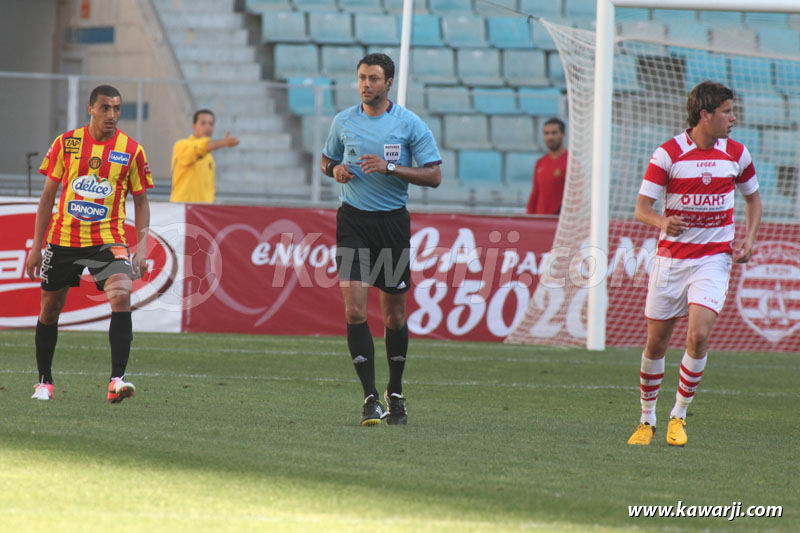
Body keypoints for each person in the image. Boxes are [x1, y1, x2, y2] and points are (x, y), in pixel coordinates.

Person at [627, 81, 762, 446]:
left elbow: (753, 200)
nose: (733, 118)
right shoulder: (668, 153)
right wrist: (661, 223)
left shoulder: (736, 153)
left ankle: (678, 415)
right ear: (705, 115)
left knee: (699, 334)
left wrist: (748, 238)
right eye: (727, 112)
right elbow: (642, 208)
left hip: (713, 259)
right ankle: (646, 419)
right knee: (655, 345)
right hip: (670, 261)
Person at [320, 53, 442, 426]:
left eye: (373, 78)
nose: (366, 84)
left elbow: (434, 176)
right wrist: (336, 169)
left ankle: (396, 391)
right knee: (354, 311)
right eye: (361, 77)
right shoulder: (343, 121)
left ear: (389, 83)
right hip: (353, 222)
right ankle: (370, 398)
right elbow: (325, 161)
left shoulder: (409, 124)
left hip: (391, 225)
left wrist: (391, 167)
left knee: (394, 315)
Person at [25, 84, 154, 403]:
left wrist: (142, 246)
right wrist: (35, 247)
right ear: (91, 109)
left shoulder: (132, 150)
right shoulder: (66, 144)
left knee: (121, 296)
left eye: (117, 109)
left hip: (108, 241)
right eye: (106, 108)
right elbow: (47, 197)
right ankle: (44, 382)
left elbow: (141, 201)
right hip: (63, 239)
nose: (112, 115)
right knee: (50, 309)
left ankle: (117, 380)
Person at [170, 109, 239, 203]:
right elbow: (199, 149)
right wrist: (223, 143)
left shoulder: (209, 156)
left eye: (211, 124)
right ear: (194, 126)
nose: (208, 127)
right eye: (203, 123)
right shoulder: (181, 145)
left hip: (203, 210)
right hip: (183, 208)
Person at [526, 117, 568, 215]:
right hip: (540, 221)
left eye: (554, 133)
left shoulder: (571, 163)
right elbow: (535, 193)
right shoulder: (540, 163)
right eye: (546, 133)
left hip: (559, 222)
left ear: (563, 134)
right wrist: (529, 216)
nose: (550, 137)